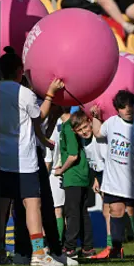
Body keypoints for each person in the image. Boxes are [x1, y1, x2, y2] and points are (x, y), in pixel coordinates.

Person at [0, 47, 64, 266]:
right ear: (19, 71)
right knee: (32, 205)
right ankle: (38, 254)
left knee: (2, 207)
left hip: (0, 159)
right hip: (24, 159)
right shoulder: (24, 93)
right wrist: (50, 94)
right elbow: (40, 115)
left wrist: (44, 141)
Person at [91, 90, 134, 259]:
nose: (128, 109)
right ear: (117, 109)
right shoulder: (111, 122)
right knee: (116, 211)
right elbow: (98, 132)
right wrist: (95, 116)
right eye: (123, 107)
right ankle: (117, 248)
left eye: (130, 105)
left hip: (133, 180)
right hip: (113, 180)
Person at [55, 110, 95, 258]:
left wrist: (61, 170)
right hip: (82, 174)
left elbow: (73, 155)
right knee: (82, 213)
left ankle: (70, 248)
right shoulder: (68, 125)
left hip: (74, 175)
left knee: (72, 213)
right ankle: (87, 248)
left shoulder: (67, 126)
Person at [43, 109, 68, 243]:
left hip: (53, 173)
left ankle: (56, 244)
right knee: (60, 211)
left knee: (57, 211)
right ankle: (59, 244)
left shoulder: (50, 127)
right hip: (61, 172)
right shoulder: (63, 124)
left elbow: (48, 158)